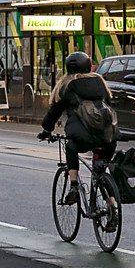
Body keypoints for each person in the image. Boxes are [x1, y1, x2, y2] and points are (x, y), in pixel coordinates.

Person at [37, 51, 116, 204]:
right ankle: (112, 205)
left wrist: (46, 131)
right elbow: (109, 105)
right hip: (107, 136)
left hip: (82, 136)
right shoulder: (100, 82)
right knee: (100, 171)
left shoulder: (67, 85)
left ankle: (73, 186)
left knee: (70, 147)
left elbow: (55, 111)